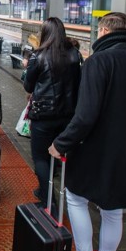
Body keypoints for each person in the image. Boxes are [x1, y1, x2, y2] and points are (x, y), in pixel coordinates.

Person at [48, 12, 126, 251]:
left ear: (103, 32)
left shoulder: (98, 62)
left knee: (76, 198)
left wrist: (61, 143)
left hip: (96, 153)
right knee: (113, 211)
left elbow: (86, 115)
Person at [23, 17, 83, 205]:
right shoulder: (75, 54)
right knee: (63, 154)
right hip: (68, 115)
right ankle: (69, 195)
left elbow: (28, 86)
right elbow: (78, 83)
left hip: (43, 116)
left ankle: (48, 197)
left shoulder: (38, 56)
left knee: (40, 157)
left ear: (45, 33)